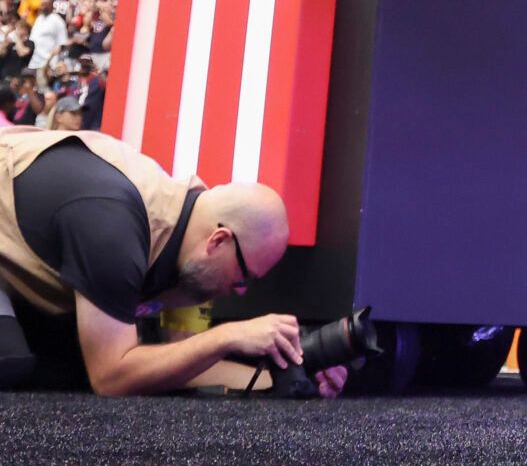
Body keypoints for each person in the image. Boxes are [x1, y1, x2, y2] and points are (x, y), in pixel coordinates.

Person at [0, 125, 347, 396]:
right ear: (218, 241)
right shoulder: (114, 225)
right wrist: (226, 336)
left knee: (67, 365)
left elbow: (174, 364)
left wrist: (285, 378)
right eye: (244, 278)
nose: (240, 292)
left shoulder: (181, 232)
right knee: (15, 362)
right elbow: (112, 377)